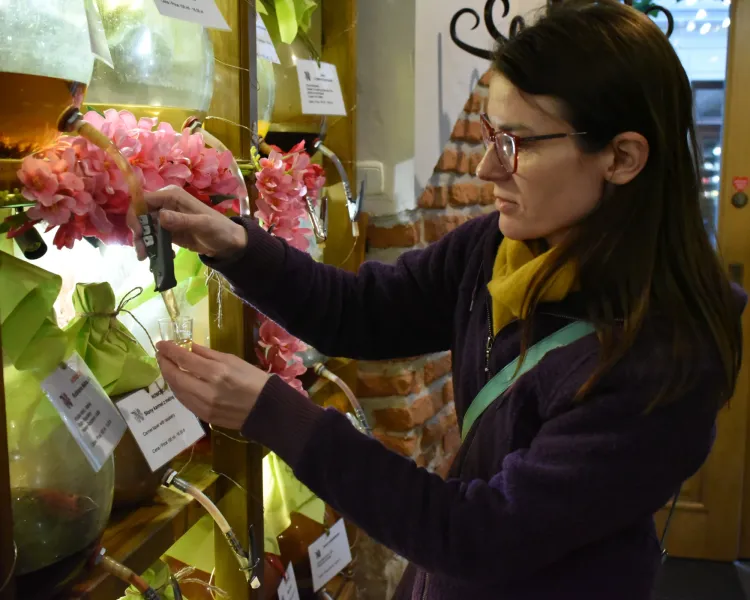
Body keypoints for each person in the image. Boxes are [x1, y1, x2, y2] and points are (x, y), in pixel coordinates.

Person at [128, 1, 744, 598]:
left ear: (622, 157)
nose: (485, 169)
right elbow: (361, 314)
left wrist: (274, 412)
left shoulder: (664, 356)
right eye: (489, 134)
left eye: (517, 144)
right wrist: (235, 244)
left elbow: (478, 535)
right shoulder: (500, 250)